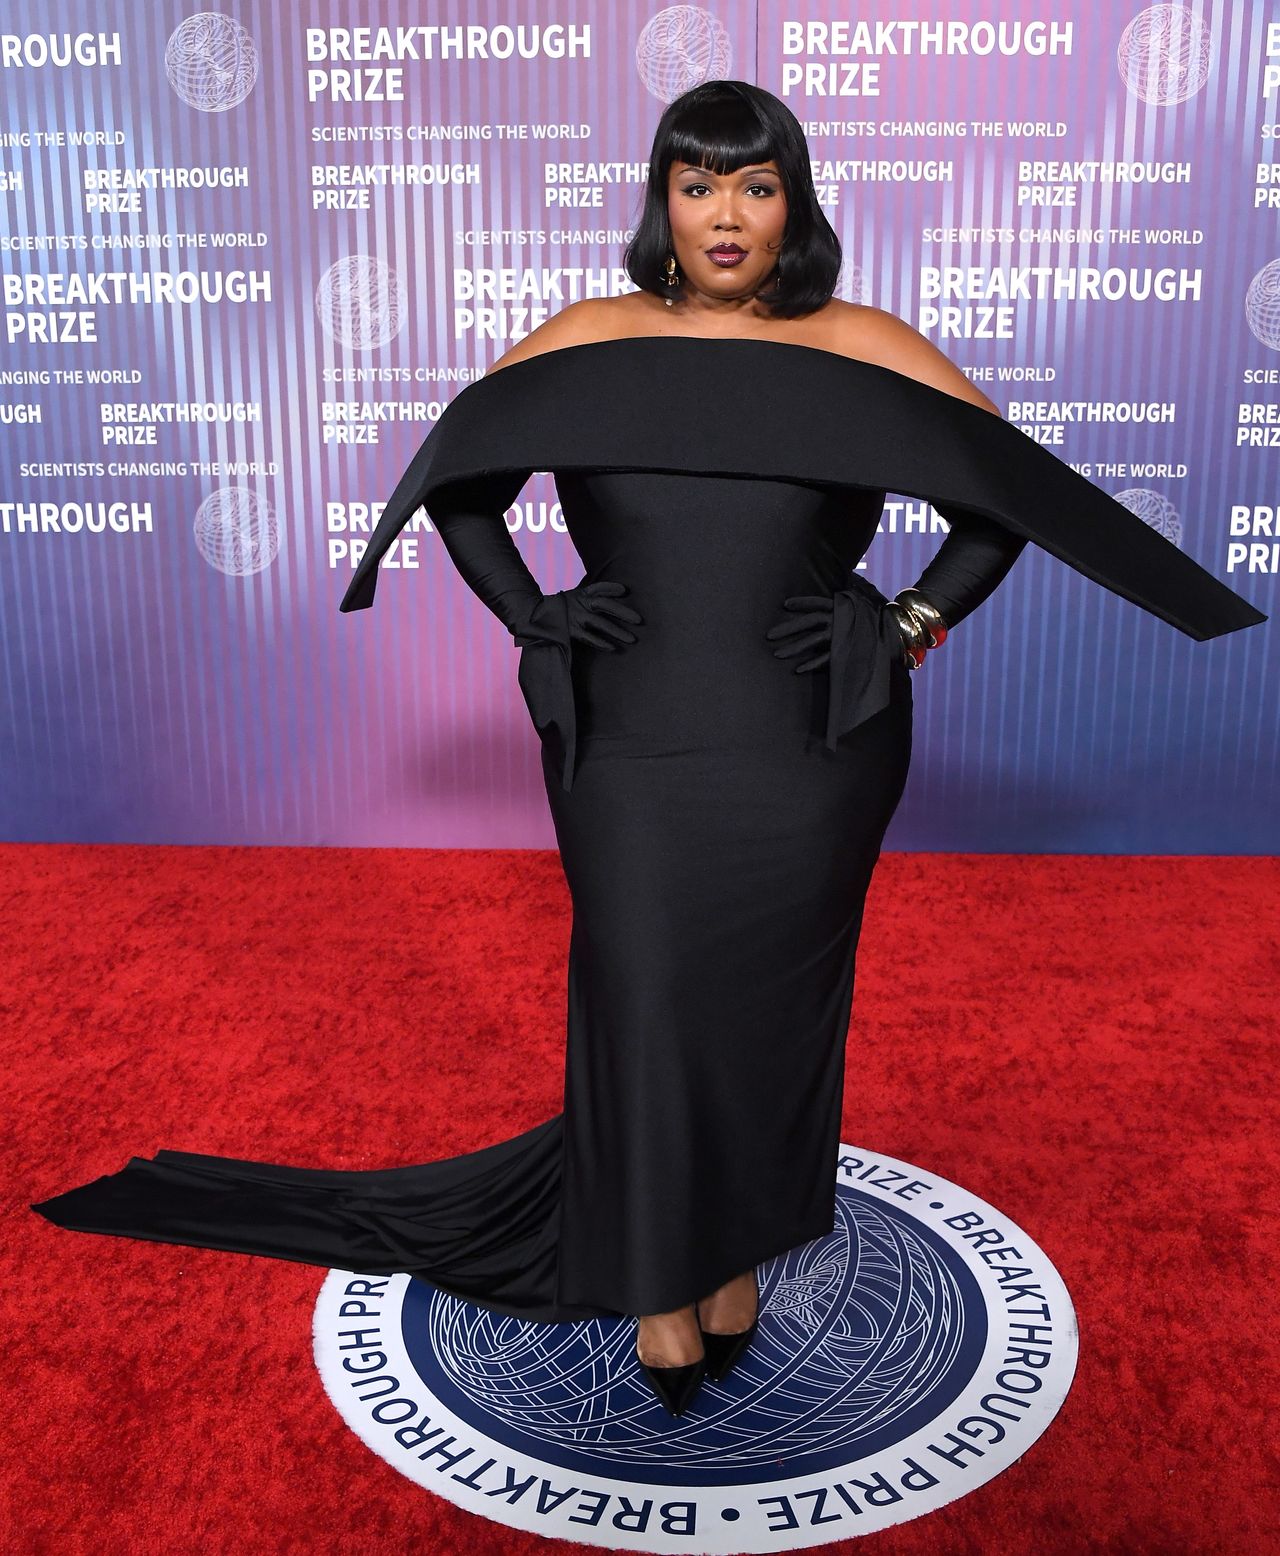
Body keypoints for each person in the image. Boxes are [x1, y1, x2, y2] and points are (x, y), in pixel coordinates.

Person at [31, 81, 1265, 1420]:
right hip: (628, 735)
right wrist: (534, 617)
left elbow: (1009, 502)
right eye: (697, 182)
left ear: (793, 202)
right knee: (648, 994)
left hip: (811, 746)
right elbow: (458, 483)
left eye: (754, 183)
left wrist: (906, 620)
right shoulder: (589, 337)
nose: (725, 213)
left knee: (766, 1010)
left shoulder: (864, 343)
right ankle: (657, 1285)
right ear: (660, 201)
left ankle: (723, 1261)